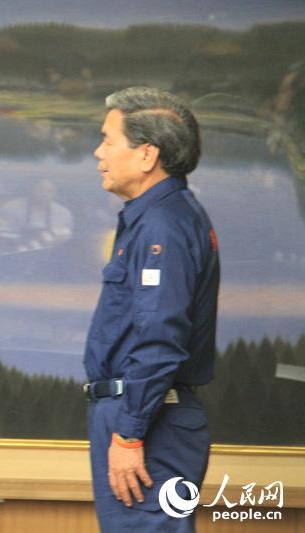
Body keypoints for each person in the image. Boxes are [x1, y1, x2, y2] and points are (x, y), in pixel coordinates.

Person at [83, 87, 220, 532]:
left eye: (108, 140)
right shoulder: (159, 216)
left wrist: (129, 433)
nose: (98, 152)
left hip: (149, 421)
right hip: (142, 414)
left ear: (147, 155)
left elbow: (160, 337)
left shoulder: (164, 225)